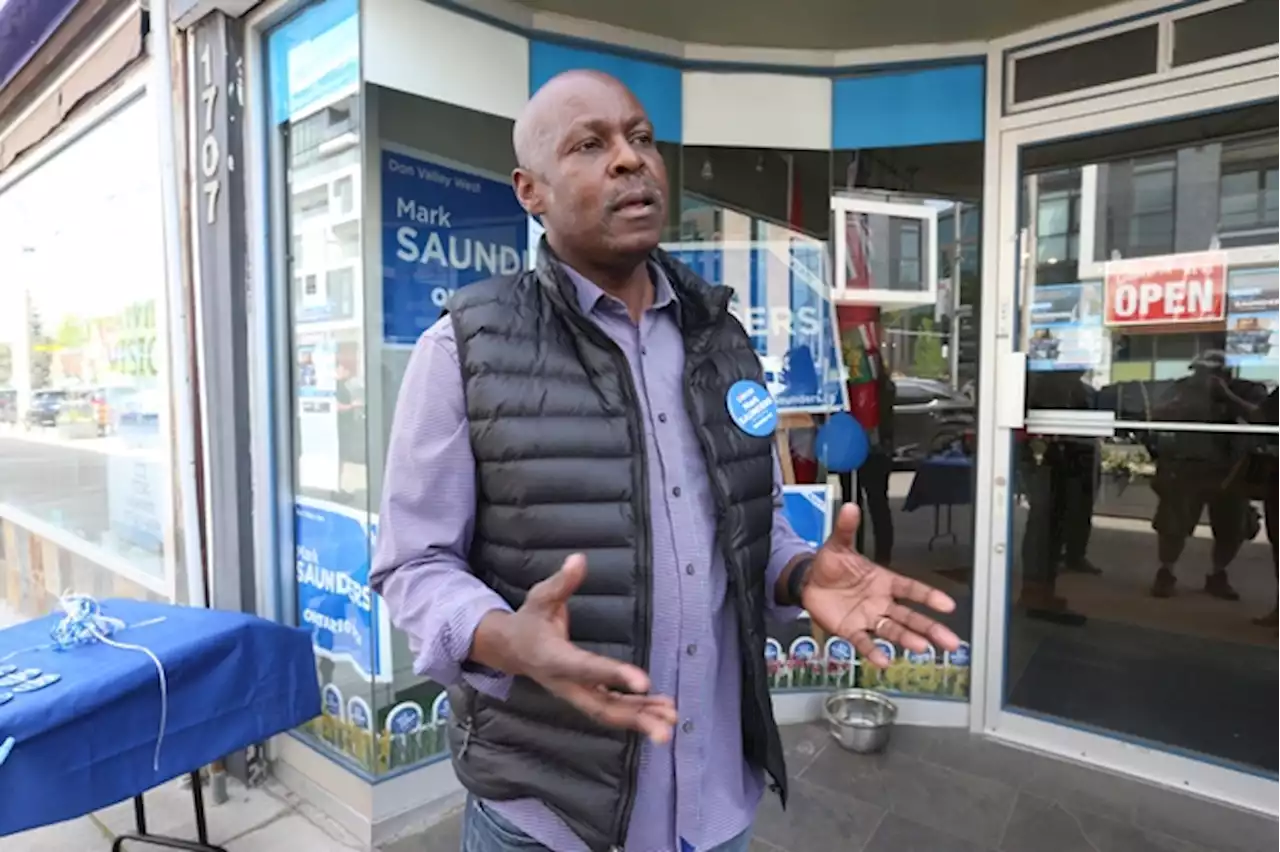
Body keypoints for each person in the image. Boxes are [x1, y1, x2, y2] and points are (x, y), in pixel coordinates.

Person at [371, 70, 960, 852]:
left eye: (640, 138)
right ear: (530, 190)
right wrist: (500, 636)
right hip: (547, 817)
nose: (629, 160)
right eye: (590, 145)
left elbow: (757, 525)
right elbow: (413, 565)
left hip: (714, 808)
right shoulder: (464, 349)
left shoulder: (723, 340)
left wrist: (797, 573)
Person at [1149, 351, 1266, 600]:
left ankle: (1218, 574)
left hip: (1231, 471)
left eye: (1210, 372)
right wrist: (1179, 404)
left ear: (1226, 372)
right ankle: (1166, 572)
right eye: (1199, 371)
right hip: (1186, 467)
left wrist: (1227, 395)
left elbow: (1261, 417)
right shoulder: (1181, 388)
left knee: (1233, 527)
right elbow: (1155, 414)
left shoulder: (1247, 389)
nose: (1203, 377)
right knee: (1172, 525)